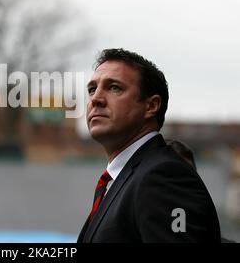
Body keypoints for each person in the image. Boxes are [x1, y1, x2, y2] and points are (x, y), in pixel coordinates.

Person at [77, 48, 221, 243]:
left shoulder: (164, 176)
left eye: (114, 87)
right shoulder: (125, 178)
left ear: (151, 106)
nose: (96, 99)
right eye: (92, 89)